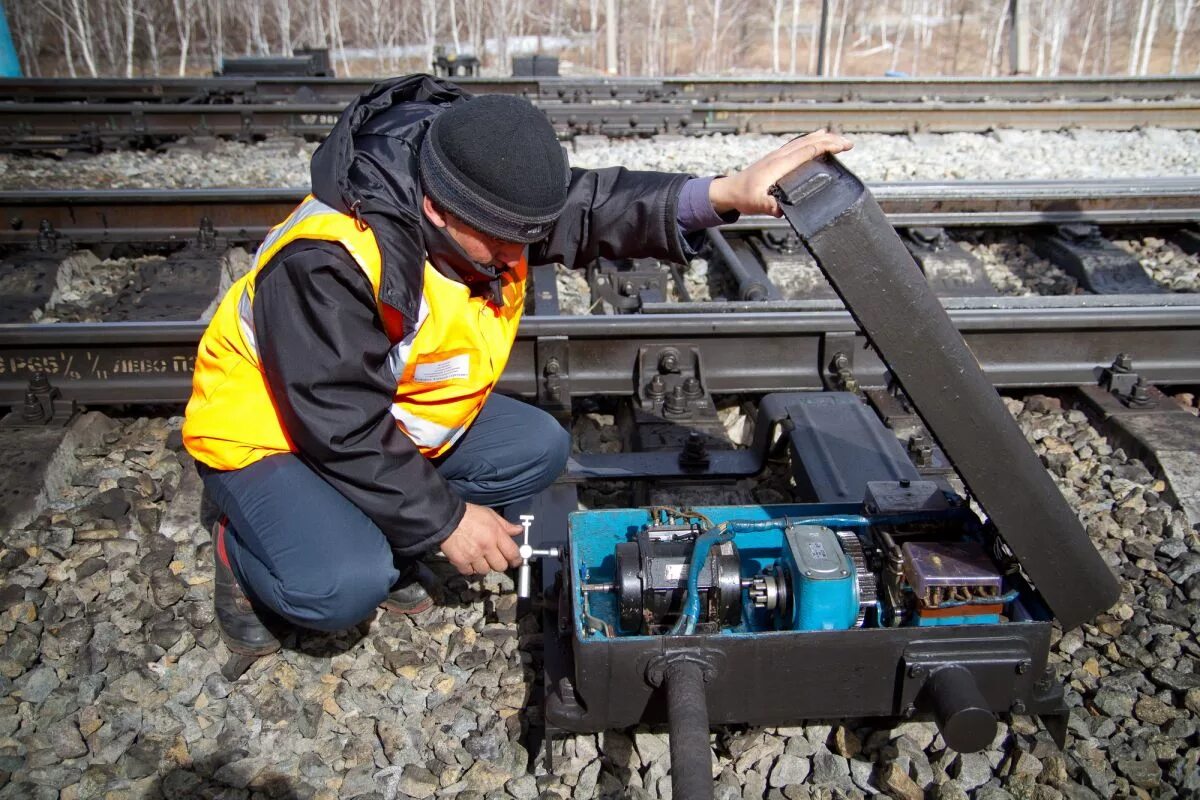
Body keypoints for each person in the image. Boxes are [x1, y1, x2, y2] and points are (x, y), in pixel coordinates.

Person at [182, 74, 852, 655]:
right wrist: (445, 520)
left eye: (527, 235)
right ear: (434, 209)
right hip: (276, 437)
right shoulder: (329, 260)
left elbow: (590, 209)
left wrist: (725, 192)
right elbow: (338, 421)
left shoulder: (481, 188)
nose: (518, 254)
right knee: (340, 585)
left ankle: (381, 526)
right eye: (502, 240)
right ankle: (244, 552)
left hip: (381, 415)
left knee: (536, 448)